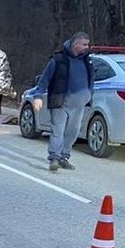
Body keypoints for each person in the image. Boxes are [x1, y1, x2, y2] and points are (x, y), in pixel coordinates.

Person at [32, 32, 93, 171]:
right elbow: (45, 79)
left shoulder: (86, 60)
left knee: (73, 132)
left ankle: (64, 157)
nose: (86, 47)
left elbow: (90, 79)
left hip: (79, 105)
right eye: (84, 44)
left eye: (87, 44)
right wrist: (38, 96)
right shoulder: (59, 59)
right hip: (61, 101)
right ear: (75, 44)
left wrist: (89, 94)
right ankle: (54, 158)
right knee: (57, 131)